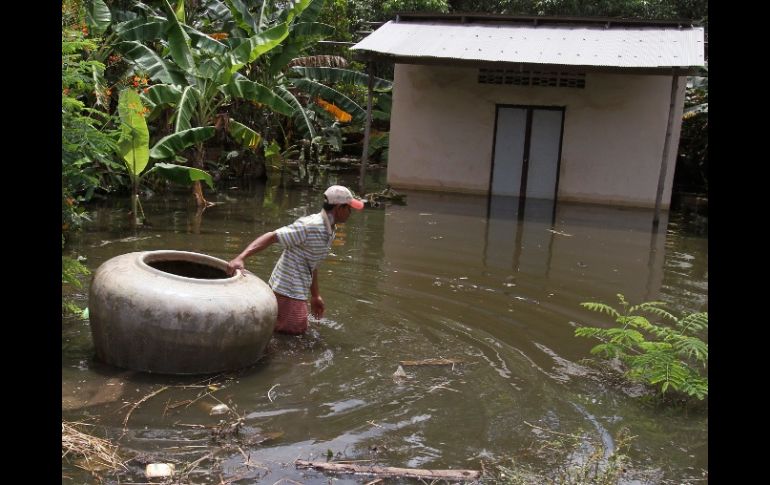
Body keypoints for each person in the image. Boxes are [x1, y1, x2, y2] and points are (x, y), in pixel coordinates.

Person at [227, 185, 364, 334]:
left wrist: (315, 295)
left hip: (295, 290)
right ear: (339, 208)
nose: (350, 213)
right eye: (349, 209)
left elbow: (313, 263)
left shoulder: (330, 230)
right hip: (288, 290)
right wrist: (241, 257)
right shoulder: (310, 226)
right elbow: (273, 236)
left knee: (289, 332)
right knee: (294, 334)